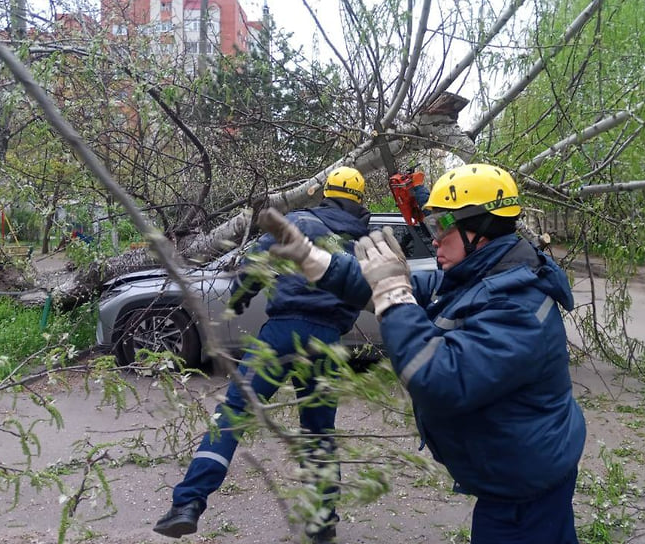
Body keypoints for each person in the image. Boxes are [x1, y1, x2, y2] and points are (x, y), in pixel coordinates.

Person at [258, 163, 586, 543]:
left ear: (477, 230)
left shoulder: (516, 307)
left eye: (441, 228)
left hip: (524, 485)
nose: (434, 240)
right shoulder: (483, 275)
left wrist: (394, 296)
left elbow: (438, 378)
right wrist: (315, 262)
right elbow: (400, 284)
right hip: (519, 471)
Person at [154, 166, 371, 543]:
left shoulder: (298, 220)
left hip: (282, 332)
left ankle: (187, 504)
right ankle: (322, 521)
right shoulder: (363, 239)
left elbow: (255, 266)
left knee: (234, 414)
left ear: (324, 191)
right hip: (327, 339)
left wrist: (238, 301)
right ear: (359, 201)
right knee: (318, 431)